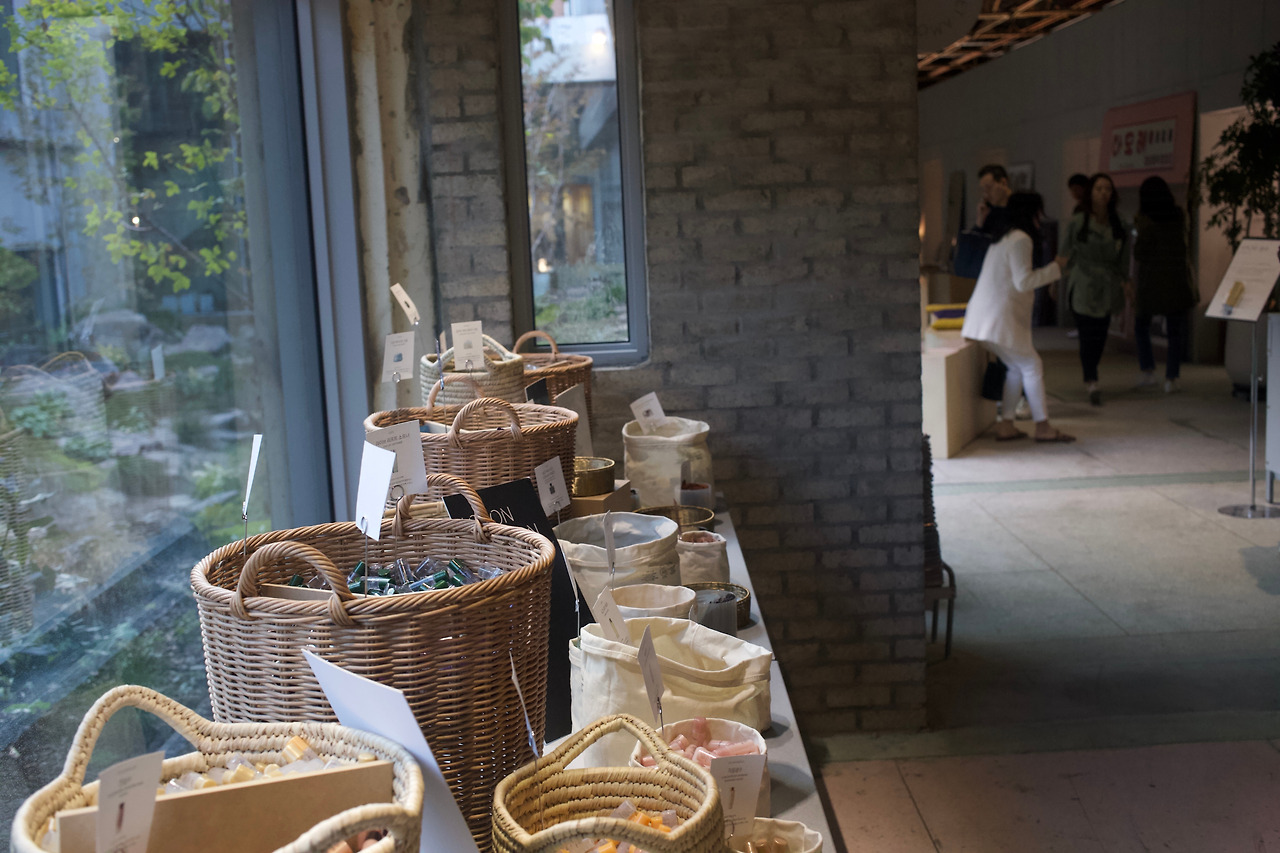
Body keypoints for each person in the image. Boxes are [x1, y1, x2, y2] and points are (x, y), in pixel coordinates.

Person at [962, 192, 1075, 443]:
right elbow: (1023, 282)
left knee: (1016, 368)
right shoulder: (1021, 239)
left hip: (986, 320)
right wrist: (1056, 268)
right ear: (1032, 213)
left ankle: (1007, 425)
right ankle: (1043, 427)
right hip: (999, 320)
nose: (1040, 218)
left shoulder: (1004, 238)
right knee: (1031, 365)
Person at [1056, 172, 1129, 406]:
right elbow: (1063, 254)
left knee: (1100, 334)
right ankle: (1091, 379)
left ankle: (1092, 372)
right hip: (1083, 283)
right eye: (1098, 189)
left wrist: (1126, 282)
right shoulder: (1079, 222)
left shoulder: (1119, 224)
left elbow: (1123, 258)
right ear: (1091, 193)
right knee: (1087, 334)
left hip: (1107, 284)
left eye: (1107, 189)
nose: (1103, 193)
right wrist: (1053, 281)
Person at [1132, 176, 1196, 393]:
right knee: (1175, 332)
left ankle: (1148, 371)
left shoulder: (1146, 221)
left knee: (1141, 326)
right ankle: (1171, 378)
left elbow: (1140, 253)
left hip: (1151, 283)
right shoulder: (1179, 217)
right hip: (1177, 281)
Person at [976, 163, 1012, 234]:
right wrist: (980, 220)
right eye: (983, 190)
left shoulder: (1018, 210)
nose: (985, 194)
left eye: (989, 187)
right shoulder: (988, 211)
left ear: (1003, 183)